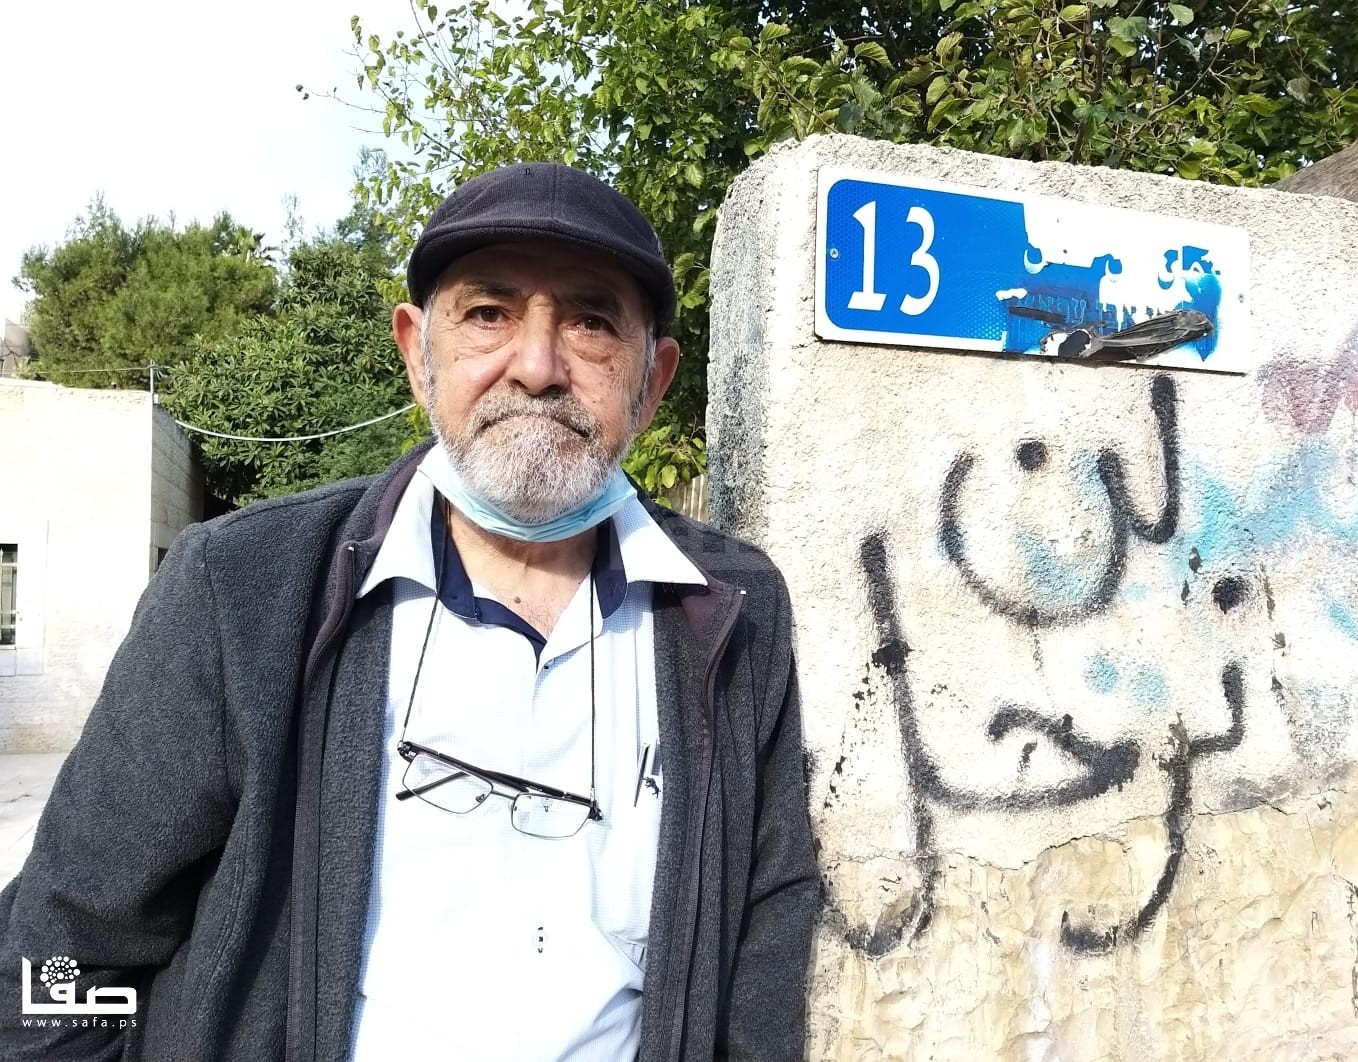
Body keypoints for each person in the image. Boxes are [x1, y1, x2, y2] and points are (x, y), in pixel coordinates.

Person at [0, 162, 820, 1061]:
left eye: (591, 323)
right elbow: (56, 956)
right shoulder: (242, 588)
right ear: (417, 355)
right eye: (488, 314)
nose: (536, 368)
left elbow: (765, 945)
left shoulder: (732, 612)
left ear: (652, 380)